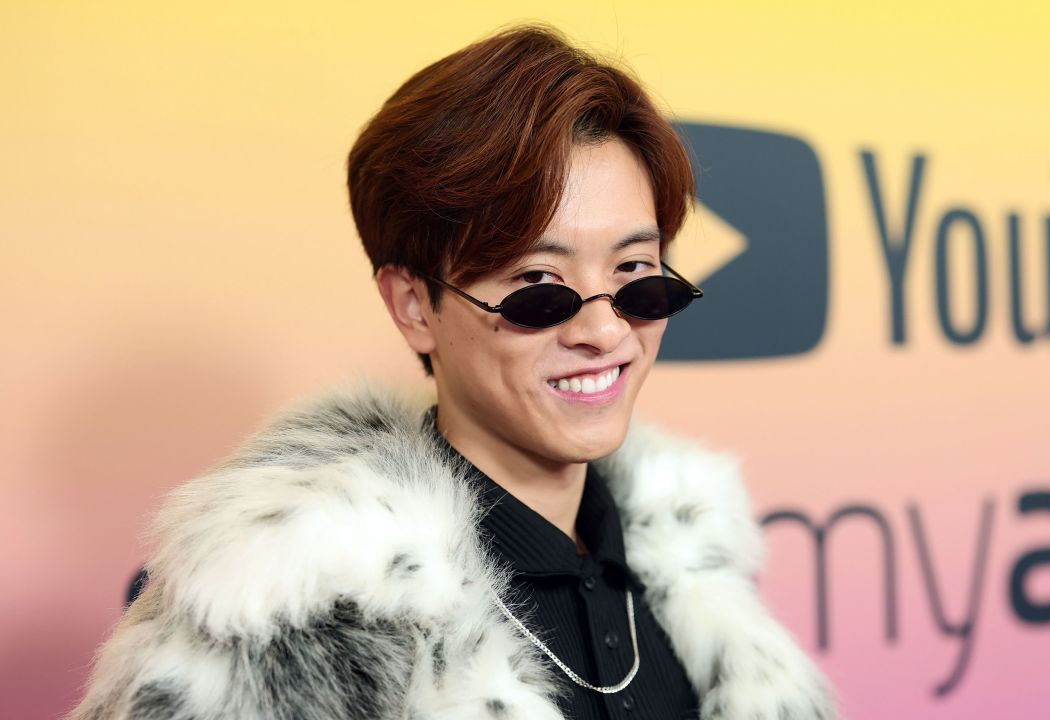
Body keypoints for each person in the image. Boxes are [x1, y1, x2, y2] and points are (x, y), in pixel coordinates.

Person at [70, 25, 836, 720]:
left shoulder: (692, 572)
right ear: (413, 305)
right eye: (539, 288)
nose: (605, 331)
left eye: (638, 273)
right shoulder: (279, 626)